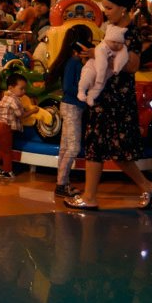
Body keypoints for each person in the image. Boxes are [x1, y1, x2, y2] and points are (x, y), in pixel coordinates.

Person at [65, 0, 152, 211]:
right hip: (106, 94)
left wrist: (99, 55)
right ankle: (95, 195)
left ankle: (94, 195)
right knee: (101, 146)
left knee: (111, 148)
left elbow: (132, 65)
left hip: (117, 97)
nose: (105, 12)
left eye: (109, 7)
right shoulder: (113, 29)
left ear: (123, 9)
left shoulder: (131, 33)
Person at [47, 24, 93, 198]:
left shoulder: (73, 60)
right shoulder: (73, 62)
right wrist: (85, 94)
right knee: (73, 147)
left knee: (66, 147)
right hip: (72, 106)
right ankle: (61, 184)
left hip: (70, 106)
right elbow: (68, 87)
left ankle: (63, 182)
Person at [0, 72, 35, 179]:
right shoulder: (14, 99)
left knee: (0, 149)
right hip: (4, 127)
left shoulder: (5, 97)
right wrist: (33, 111)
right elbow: (21, 115)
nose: (24, 91)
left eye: (25, 89)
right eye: (21, 89)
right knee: (7, 151)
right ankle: (7, 171)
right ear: (11, 88)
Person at [77, 24, 128, 106]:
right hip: (93, 67)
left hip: (106, 74)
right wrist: (100, 75)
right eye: (113, 42)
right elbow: (101, 61)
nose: (116, 44)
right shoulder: (102, 46)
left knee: (99, 87)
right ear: (107, 40)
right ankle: (81, 91)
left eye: (119, 43)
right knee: (87, 78)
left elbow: (123, 58)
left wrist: (117, 68)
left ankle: (91, 97)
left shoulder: (122, 49)